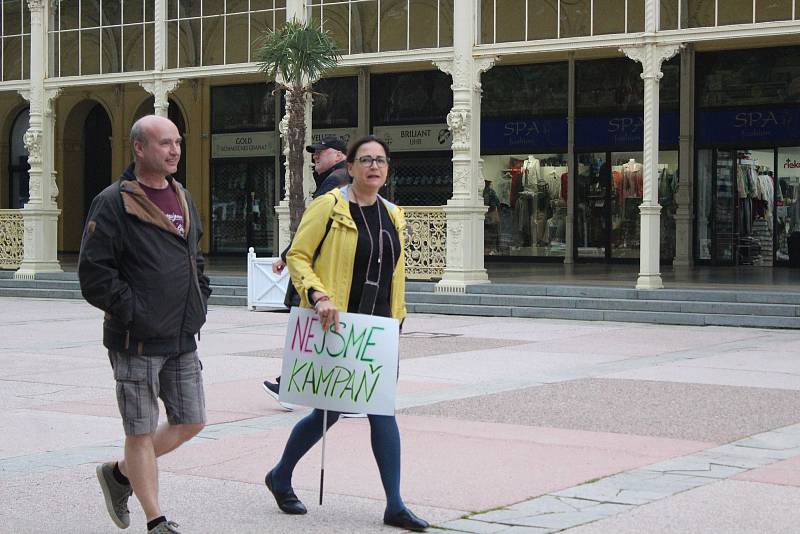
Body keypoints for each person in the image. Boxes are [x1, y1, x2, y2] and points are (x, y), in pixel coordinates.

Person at [264, 135, 429, 532]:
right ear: (350, 166)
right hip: (337, 325)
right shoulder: (330, 205)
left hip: (377, 330)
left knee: (382, 410)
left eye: (381, 161)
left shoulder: (394, 214)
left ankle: (394, 504)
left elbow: (394, 272)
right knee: (328, 412)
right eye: (365, 160)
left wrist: (398, 318)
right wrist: (318, 294)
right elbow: (298, 256)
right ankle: (281, 474)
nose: (374, 166)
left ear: (387, 170)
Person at [78, 115, 211, 534]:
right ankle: (156, 521)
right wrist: (133, 310)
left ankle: (120, 474)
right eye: (163, 143)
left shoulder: (183, 197)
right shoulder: (114, 201)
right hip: (135, 338)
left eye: (177, 142)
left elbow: (195, 256)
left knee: (191, 421)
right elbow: (94, 273)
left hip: (181, 334)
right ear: (139, 148)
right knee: (138, 430)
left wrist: (200, 295)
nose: (174, 150)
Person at [262, 136, 351, 409]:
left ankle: (291, 386)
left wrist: (289, 255)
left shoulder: (335, 181)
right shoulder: (342, 177)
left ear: (338, 155)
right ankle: (292, 384)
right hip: (330, 265)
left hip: (321, 267)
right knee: (317, 331)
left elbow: (312, 227)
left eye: (321, 153)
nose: (315, 158)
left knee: (309, 327)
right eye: (314, 154)